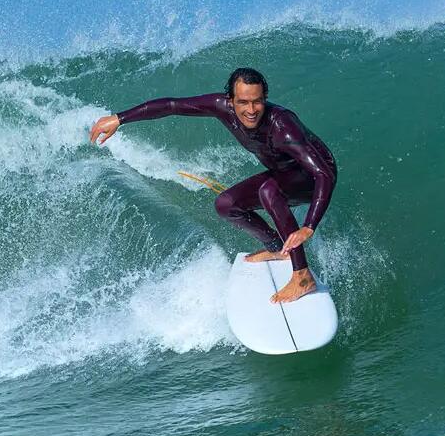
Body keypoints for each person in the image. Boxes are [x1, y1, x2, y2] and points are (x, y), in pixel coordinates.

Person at [88, 68, 337, 303]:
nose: (251, 110)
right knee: (227, 205)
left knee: (268, 190)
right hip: (283, 172)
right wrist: (120, 118)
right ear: (230, 100)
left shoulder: (283, 127)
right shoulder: (221, 107)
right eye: (243, 102)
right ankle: (276, 248)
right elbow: (173, 105)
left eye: (257, 101)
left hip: (312, 176)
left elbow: (323, 174)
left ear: (265, 98)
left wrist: (309, 226)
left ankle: (302, 275)